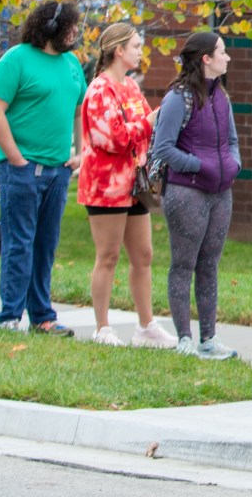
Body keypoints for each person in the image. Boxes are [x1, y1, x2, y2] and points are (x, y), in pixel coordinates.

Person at [0, 0, 87, 335]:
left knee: (45, 244)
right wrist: (16, 158)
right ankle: (10, 317)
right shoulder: (16, 59)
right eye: (71, 27)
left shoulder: (72, 64)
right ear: (52, 27)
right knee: (20, 243)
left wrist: (79, 152)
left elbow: (78, 110)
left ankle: (43, 316)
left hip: (58, 170)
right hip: (21, 170)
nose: (75, 33)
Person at [77, 23, 175, 348]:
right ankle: (102, 327)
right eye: (135, 46)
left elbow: (147, 126)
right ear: (118, 50)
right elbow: (112, 138)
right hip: (105, 187)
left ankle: (146, 326)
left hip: (134, 184)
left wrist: (155, 121)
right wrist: (146, 124)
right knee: (108, 255)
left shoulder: (130, 86)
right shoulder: (99, 91)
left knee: (143, 255)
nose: (140, 51)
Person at [151, 30, 241, 359]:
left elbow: (231, 141)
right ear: (206, 58)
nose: (227, 57)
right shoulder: (179, 97)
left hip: (221, 192)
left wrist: (234, 164)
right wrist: (198, 165)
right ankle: (184, 339)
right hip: (186, 192)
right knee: (183, 264)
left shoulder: (221, 96)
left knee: (209, 265)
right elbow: (163, 148)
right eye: (222, 52)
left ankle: (208, 338)